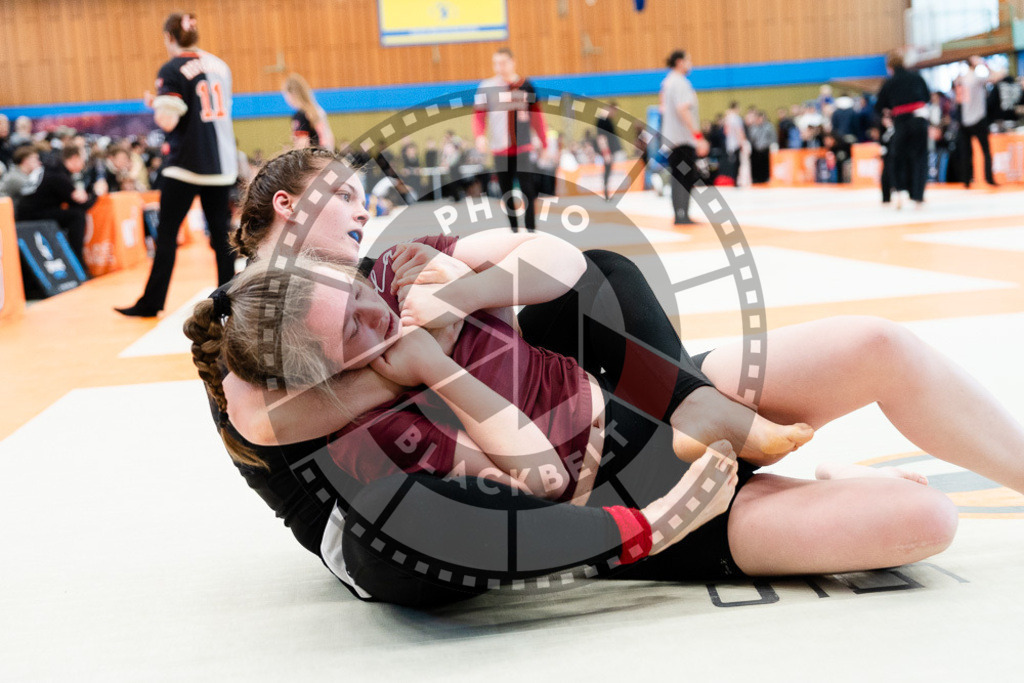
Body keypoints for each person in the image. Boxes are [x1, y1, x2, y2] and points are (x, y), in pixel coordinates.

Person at [185, 148, 1024, 607]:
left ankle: (700, 411)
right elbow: (274, 422)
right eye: (340, 193)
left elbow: (559, 263)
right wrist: (412, 357)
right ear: (288, 211)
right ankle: (758, 467)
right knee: (922, 517)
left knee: (875, 342)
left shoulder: (390, 266)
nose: (362, 203)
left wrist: (468, 302)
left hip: (590, 414)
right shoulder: (247, 338)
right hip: (533, 496)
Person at [116, 11, 238, 318]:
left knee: (167, 234)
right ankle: (230, 302)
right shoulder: (220, 66)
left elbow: (168, 119)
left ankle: (151, 302)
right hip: (221, 164)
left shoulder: (172, 68)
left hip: (185, 164)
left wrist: (157, 103)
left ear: (169, 38)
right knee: (221, 235)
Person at [473, 47, 547, 232]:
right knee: (506, 191)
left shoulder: (526, 85)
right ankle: (514, 229)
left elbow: (537, 115)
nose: (499, 67)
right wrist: (480, 136)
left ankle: (531, 230)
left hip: (523, 147)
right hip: (500, 148)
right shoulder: (487, 87)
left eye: (503, 62)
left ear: (513, 62)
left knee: (528, 189)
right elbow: (479, 115)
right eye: (496, 63)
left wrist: (543, 141)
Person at [16, 144, 99, 266]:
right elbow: (80, 203)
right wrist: (96, 193)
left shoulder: (50, 169)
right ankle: (77, 262)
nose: (84, 164)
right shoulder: (57, 174)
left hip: (29, 213)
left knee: (72, 212)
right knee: (77, 215)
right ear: (75, 158)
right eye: (83, 159)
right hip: (32, 217)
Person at [875, 49, 930, 208]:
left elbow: (879, 106)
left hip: (901, 123)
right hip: (919, 121)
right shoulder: (917, 78)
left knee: (897, 158)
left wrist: (889, 112)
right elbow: (926, 97)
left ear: (890, 67)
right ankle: (918, 196)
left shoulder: (889, 83)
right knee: (919, 158)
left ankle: (899, 192)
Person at [660, 49, 709, 225]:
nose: (691, 64)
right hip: (682, 139)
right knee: (685, 176)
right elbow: (683, 109)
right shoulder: (680, 83)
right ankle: (682, 215)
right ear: (680, 62)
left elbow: (662, 108)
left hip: (671, 139)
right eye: (689, 60)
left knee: (677, 176)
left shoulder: (667, 82)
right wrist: (698, 136)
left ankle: (680, 214)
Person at [958, 56, 1003, 188]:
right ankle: (989, 178)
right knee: (986, 150)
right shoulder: (975, 78)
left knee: (967, 152)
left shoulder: (962, 79)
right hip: (977, 118)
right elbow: (997, 76)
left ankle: (966, 180)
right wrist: (984, 63)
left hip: (965, 119)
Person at [283, 73, 335, 151]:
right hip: (325, 155)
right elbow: (330, 138)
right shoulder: (317, 110)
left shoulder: (300, 115)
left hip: (313, 159)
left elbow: (303, 144)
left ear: (291, 94)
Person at [0, 144, 42, 211]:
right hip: (8, 214)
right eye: (35, 159)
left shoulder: (21, 174)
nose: (39, 163)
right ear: (25, 160)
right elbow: (34, 192)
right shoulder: (15, 177)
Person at [595, 101, 623, 200]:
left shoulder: (607, 120)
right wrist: (606, 152)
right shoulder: (603, 120)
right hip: (607, 150)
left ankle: (607, 192)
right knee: (607, 170)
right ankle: (606, 192)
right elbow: (601, 137)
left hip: (610, 149)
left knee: (608, 171)